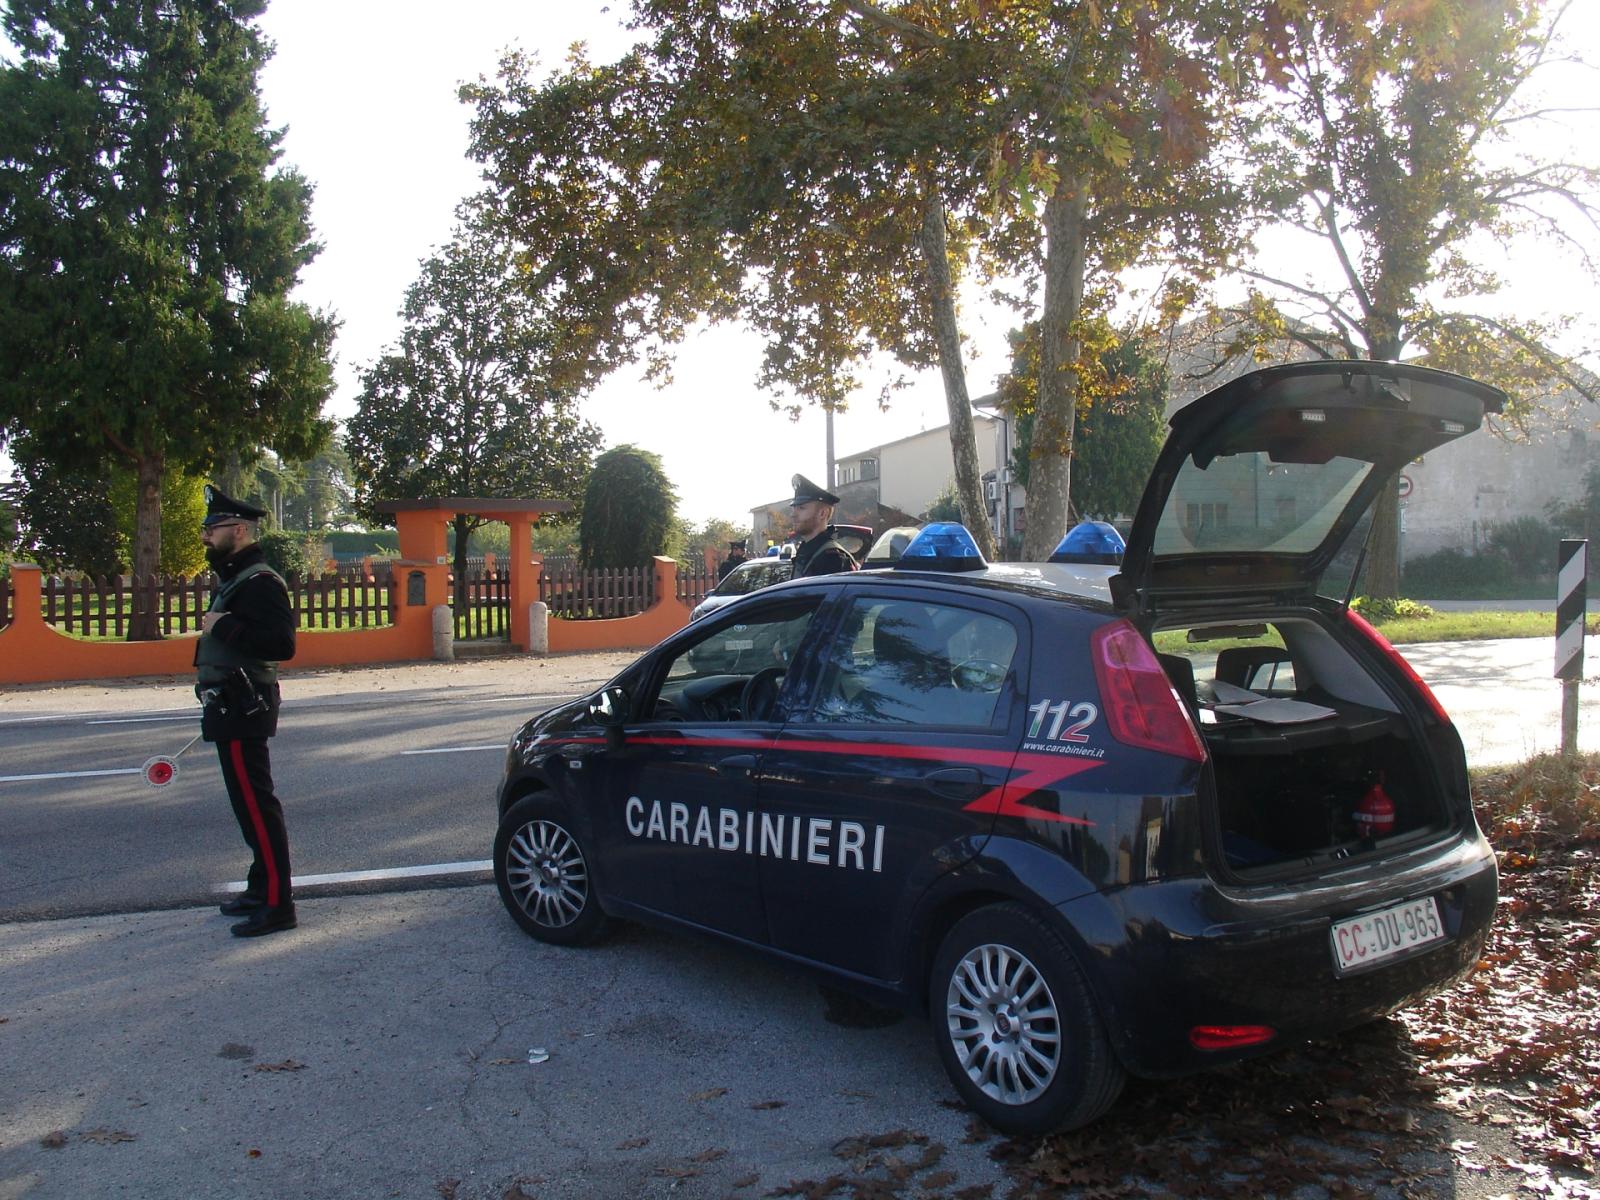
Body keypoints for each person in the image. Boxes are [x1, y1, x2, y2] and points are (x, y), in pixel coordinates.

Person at [196, 484, 299, 937]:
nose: (206, 536)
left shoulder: (260, 582)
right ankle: (261, 889)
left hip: (244, 704)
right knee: (247, 805)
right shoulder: (237, 578)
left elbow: (281, 644)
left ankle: (278, 904)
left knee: (258, 807)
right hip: (230, 704)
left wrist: (225, 627)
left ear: (238, 530)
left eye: (213, 528)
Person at [788, 474, 858, 577]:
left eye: (801, 508)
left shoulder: (832, 558)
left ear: (822, 513)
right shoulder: (807, 551)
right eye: (794, 508)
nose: (793, 514)